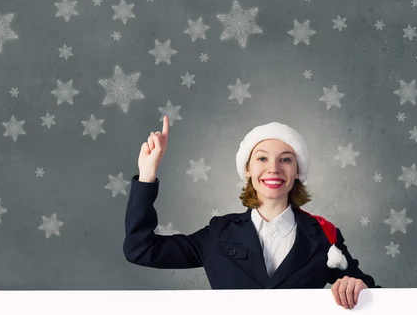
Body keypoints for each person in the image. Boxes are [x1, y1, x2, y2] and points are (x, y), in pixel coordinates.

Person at [123, 116, 380, 309]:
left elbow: (369, 288)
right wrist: (147, 174)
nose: (274, 169)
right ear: (247, 169)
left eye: (286, 159)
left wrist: (358, 286)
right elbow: (141, 249)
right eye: (262, 158)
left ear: (297, 171)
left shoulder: (323, 235)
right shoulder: (219, 233)